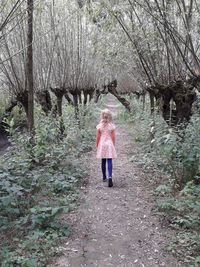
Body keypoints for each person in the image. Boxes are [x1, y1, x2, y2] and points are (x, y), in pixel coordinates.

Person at [96, 108, 117, 187]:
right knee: (109, 160)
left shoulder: (99, 126)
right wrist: (113, 145)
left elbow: (98, 137)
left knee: (103, 161)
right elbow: (113, 137)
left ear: (102, 116)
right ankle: (110, 177)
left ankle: (104, 177)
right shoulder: (111, 126)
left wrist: (97, 146)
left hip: (102, 144)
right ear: (109, 117)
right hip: (109, 144)